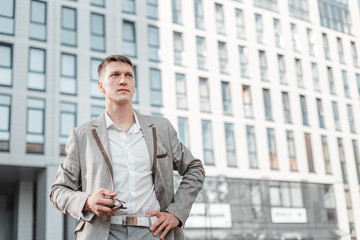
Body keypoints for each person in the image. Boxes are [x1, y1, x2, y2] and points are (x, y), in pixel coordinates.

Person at [50, 55, 205, 240]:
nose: (123, 80)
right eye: (115, 75)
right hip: (103, 233)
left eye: (129, 76)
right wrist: (87, 201)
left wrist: (176, 212)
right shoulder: (82, 135)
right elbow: (58, 191)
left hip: (154, 232)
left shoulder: (161, 128)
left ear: (134, 86)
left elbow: (195, 168)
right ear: (101, 86)